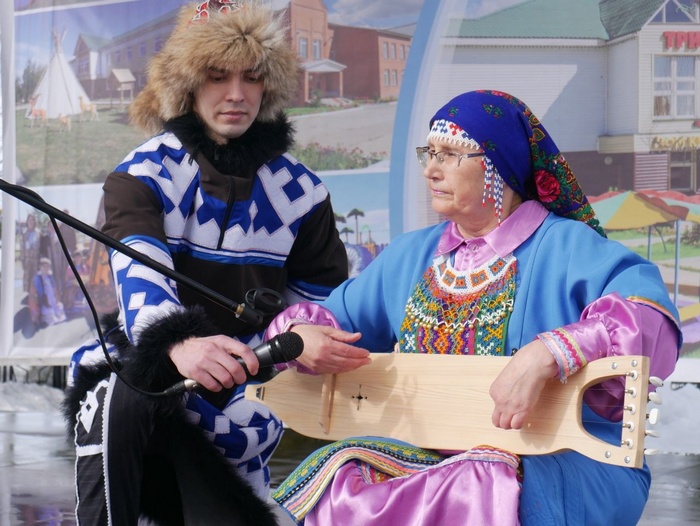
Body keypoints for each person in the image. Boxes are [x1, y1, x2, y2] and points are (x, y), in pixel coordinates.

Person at [264, 90, 681, 525]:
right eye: (429, 153)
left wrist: (549, 352)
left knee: (478, 481)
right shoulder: (411, 255)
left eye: (449, 154)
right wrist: (300, 336)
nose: (430, 169)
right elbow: (332, 319)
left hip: (566, 456)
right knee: (343, 478)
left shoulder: (567, 246)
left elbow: (648, 318)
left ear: (498, 166)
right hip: (433, 454)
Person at [62, 2, 359, 524]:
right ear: (187, 83)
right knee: (117, 391)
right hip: (150, 381)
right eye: (217, 75)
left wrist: (293, 340)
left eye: (252, 76)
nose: (237, 94)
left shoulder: (304, 192)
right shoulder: (142, 174)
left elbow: (320, 306)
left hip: (250, 392)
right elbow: (142, 284)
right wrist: (178, 343)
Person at [30, 257, 67, 327]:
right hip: (44, 301)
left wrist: (57, 299)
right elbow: (33, 294)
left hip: (52, 299)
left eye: (48, 266)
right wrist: (35, 310)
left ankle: (55, 313)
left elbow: (54, 288)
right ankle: (45, 316)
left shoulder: (50, 276)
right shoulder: (37, 278)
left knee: (59, 308)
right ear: (40, 267)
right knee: (50, 314)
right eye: (44, 266)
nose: (46, 268)